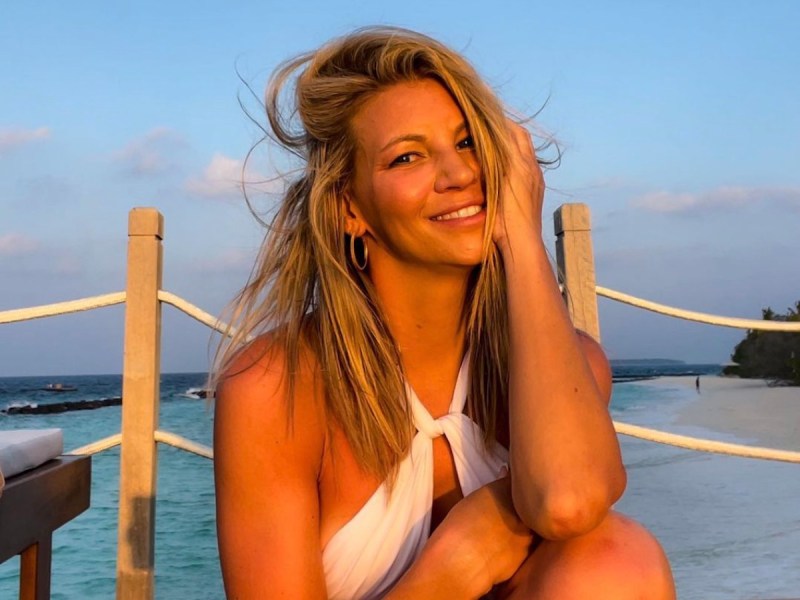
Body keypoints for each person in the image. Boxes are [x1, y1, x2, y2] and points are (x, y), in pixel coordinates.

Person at [213, 26, 675, 599]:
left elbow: (569, 501)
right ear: (349, 207)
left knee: (615, 561)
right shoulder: (277, 388)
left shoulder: (572, 367)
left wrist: (522, 242)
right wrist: (451, 571)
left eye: (467, 143)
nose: (459, 175)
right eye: (408, 156)